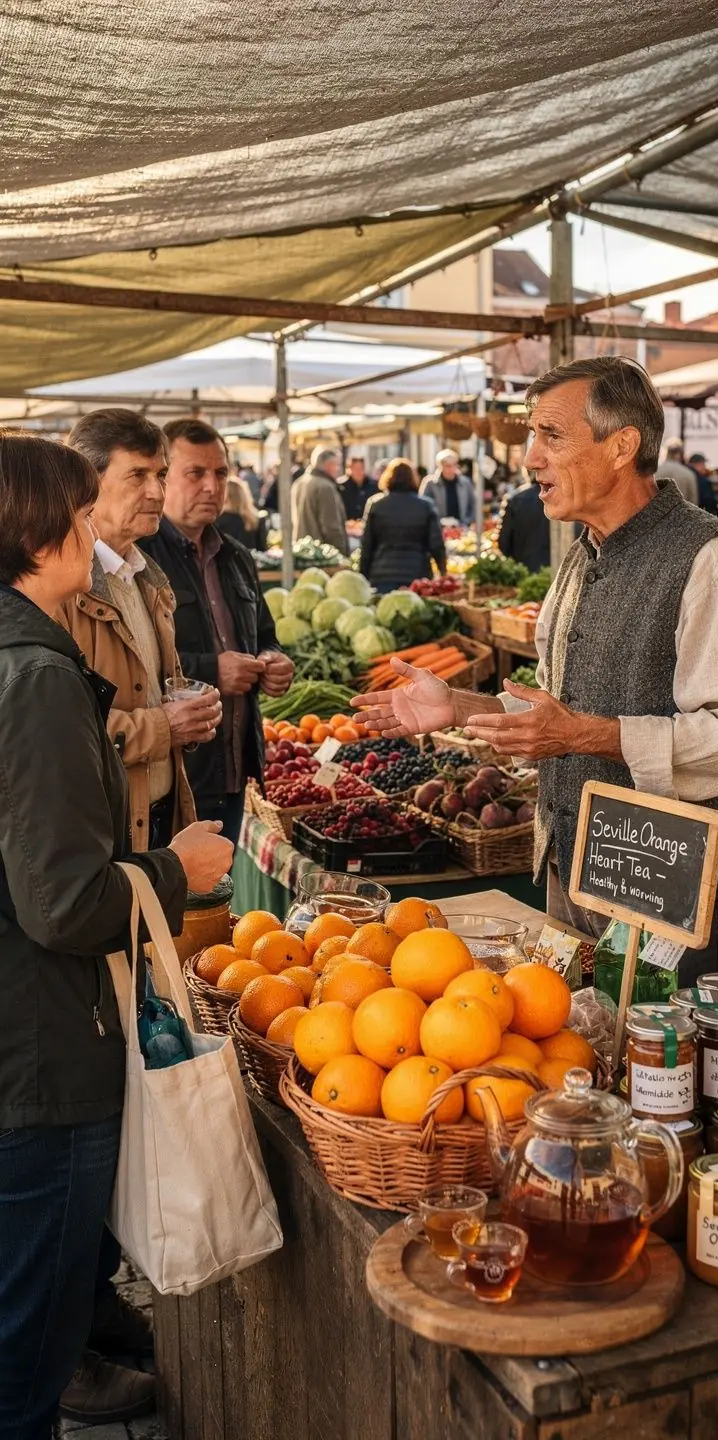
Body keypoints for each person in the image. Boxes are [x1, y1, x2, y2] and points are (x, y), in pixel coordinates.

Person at [354, 356, 718, 987]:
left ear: (621, 446)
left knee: (666, 1071)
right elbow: (559, 708)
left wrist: (584, 737)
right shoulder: (581, 557)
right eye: (532, 436)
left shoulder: (713, 563)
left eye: (551, 435)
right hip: (577, 866)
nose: (529, 458)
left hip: (677, 892)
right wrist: (462, 709)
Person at [0, 432, 233, 1440]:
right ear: (43, 530)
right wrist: (178, 869)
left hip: (22, 1045)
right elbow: (61, 903)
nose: (95, 525)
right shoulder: (38, 674)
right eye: (81, 505)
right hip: (43, 1058)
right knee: (26, 1354)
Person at [57, 409, 217, 854]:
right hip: (101, 830)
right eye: (137, 475)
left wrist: (187, 715)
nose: (156, 491)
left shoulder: (147, 579)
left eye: (161, 474)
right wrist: (165, 725)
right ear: (88, 482)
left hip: (155, 816)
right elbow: (62, 734)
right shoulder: (63, 590)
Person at [140, 418, 294, 845]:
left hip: (234, 767)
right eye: (196, 473)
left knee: (219, 903)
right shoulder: (141, 561)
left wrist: (274, 660)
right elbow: (130, 671)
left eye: (221, 473)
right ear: (163, 478)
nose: (212, 485)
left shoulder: (237, 557)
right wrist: (212, 670)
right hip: (176, 777)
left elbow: (265, 636)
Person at [359, 459, 447, 593]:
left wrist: (363, 575)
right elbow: (436, 544)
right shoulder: (425, 506)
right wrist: (443, 571)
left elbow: (367, 545)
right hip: (417, 575)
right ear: (413, 478)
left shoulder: (376, 505)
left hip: (382, 575)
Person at [291, 445, 350, 555]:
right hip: (321, 555)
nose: (338, 469)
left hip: (301, 551)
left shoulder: (299, 483)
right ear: (329, 465)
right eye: (336, 465)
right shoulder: (325, 487)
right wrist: (341, 555)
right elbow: (331, 527)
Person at [497, 473, 551, 571]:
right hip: (554, 570)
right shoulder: (559, 499)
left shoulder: (514, 499)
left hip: (522, 569)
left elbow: (504, 543)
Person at [420, 449, 476, 525]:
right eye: (448, 466)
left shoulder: (465, 483)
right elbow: (424, 506)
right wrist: (438, 523)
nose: (452, 468)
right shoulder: (431, 484)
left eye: (454, 465)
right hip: (439, 528)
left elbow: (473, 505)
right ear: (440, 466)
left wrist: (466, 521)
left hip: (462, 527)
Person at [218, 475, 269, 551]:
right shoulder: (255, 520)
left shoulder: (219, 521)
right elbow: (262, 549)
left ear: (227, 498)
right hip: (251, 560)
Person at [657, 440, 699, 505]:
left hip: (657, 512)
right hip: (681, 512)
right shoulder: (688, 473)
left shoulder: (654, 472)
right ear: (679, 455)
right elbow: (693, 500)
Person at [338, 455, 378, 522]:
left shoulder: (373, 485)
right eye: (355, 468)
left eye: (361, 468)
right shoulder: (341, 487)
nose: (358, 472)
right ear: (349, 469)